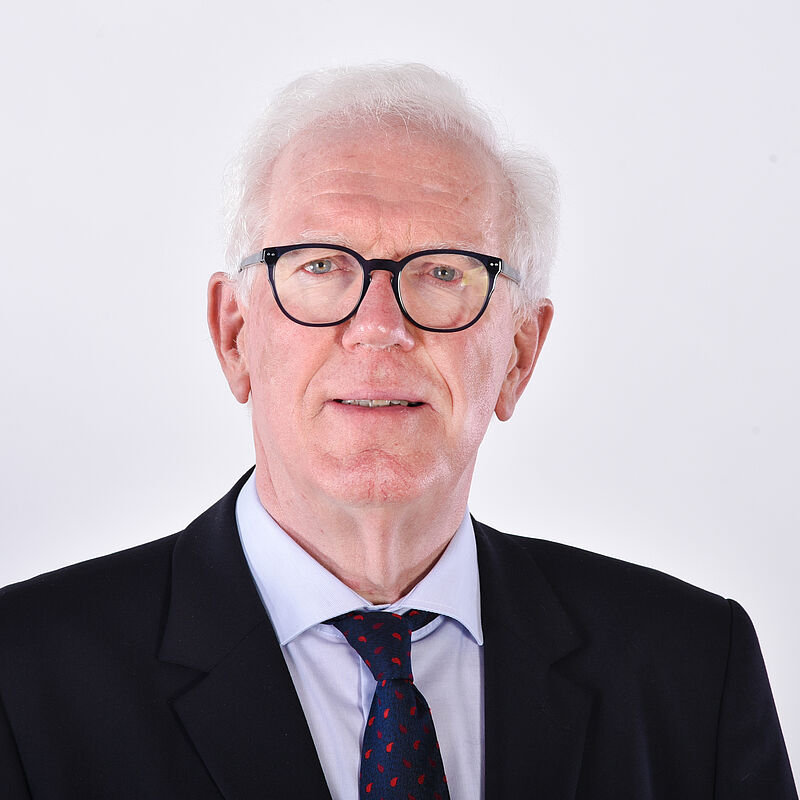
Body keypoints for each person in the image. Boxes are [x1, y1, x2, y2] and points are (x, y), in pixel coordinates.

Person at [0, 64, 795, 800]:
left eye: (444, 271)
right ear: (234, 334)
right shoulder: (22, 677)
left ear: (520, 354)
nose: (380, 327)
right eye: (320, 266)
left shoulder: (693, 666)